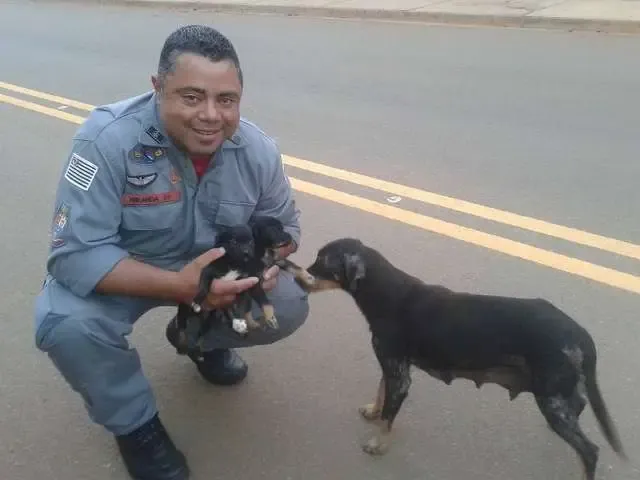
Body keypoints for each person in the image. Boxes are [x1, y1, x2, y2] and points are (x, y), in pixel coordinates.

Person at [33, 24, 309, 480]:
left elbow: (288, 229)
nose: (210, 116)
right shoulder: (106, 142)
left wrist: (267, 263)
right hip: (129, 271)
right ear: (157, 88)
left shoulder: (258, 150)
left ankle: (198, 338)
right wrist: (183, 287)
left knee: (289, 302)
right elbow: (74, 255)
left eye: (226, 100)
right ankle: (136, 426)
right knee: (66, 322)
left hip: (218, 271)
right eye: (191, 96)